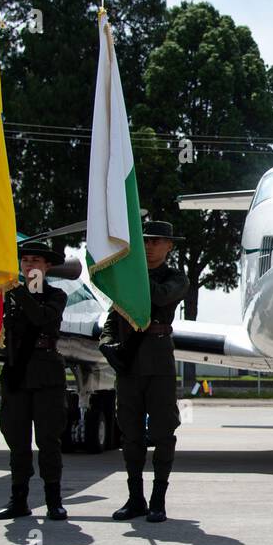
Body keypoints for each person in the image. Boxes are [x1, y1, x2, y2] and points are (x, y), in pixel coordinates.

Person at [101, 221, 190, 523]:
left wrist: (134, 273)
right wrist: (107, 343)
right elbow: (114, 316)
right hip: (129, 363)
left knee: (164, 432)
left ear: (170, 246)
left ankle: (158, 499)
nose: (150, 246)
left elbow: (160, 298)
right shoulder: (126, 278)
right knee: (131, 434)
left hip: (158, 362)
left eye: (157, 241)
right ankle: (135, 498)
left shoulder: (176, 278)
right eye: (146, 241)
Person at [0, 240, 70, 521]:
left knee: (49, 440)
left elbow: (40, 317)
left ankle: (53, 501)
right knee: (17, 440)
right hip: (16, 371)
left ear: (47, 266)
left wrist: (19, 291)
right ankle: (19, 499)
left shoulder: (56, 295)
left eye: (36, 261)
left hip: (46, 371)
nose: (30, 266)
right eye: (25, 261)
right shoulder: (7, 296)